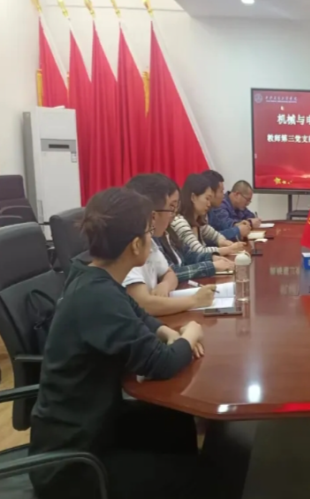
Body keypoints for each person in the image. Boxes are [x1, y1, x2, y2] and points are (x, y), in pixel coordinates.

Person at [28, 187, 229, 499]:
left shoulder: (91, 275)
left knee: (175, 423)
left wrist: (168, 333)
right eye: (149, 232)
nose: (152, 238)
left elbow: (139, 315)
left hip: (97, 425)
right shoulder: (97, 297)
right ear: (136, 244)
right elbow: (161, 363)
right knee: (207, 477)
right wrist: (190, 333)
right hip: (74, 464)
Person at [124, 174, 218, 317]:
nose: (173, 215)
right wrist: (194, 300)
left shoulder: (150, 240)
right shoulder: (128, 245)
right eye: (171, 207)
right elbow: (144, 305)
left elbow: (170, 273)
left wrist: (165, 285)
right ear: (153, 214)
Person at [155, 176, 235, 282]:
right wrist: (213, 263)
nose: (209, 204)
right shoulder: (178, 223)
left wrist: (211, 257)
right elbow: (172, 273)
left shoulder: (173, 229)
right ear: (193, 197)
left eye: (175, 206)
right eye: (171, 206)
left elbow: (188, 255)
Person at [171, 174, 247, 256]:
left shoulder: (198, 222)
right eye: (207, 198)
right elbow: (199, 251)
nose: (209, 204)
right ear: (193, 197)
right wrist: (228, 249)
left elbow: (215, 235)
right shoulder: (180, 222)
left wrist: (224, 242)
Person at [202, 170, 250, 241]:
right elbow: (207, 239)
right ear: (210, 192)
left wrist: (236, 225)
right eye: (221, 191)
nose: (223, 195)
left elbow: (221, 227)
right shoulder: (197, 215)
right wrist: (237, 231)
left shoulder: (211, 211)